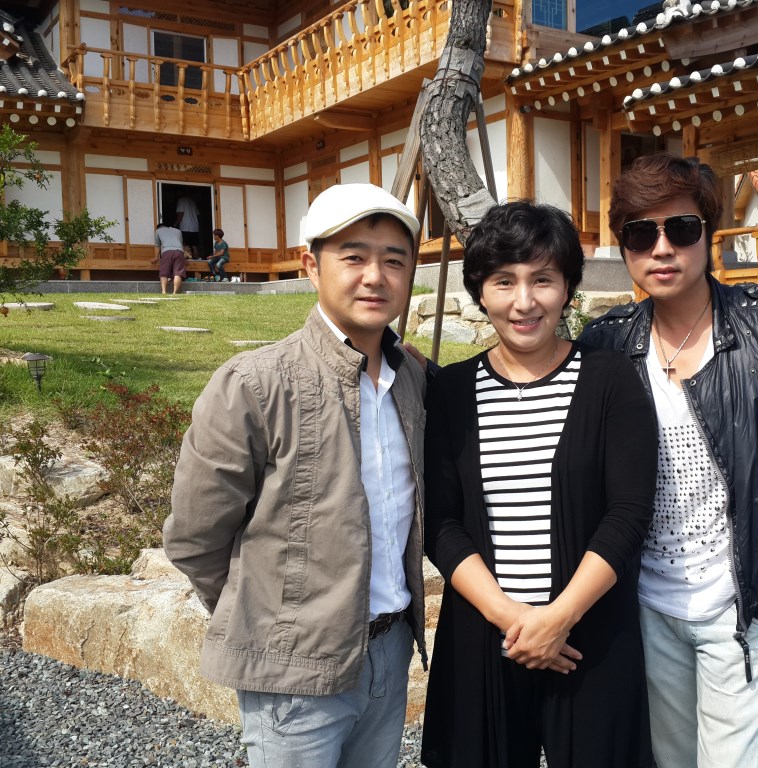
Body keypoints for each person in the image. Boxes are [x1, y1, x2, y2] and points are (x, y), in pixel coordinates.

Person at [578, 153, 758, 768]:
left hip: (738, 609)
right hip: (646, 606)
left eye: (680, 228)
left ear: (709, 233)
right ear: (623, 246)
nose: (662, 248)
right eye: (640, 234)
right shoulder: (607, 342)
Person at [163, 183, 428, 768]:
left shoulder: (412, 378)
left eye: (394, 261)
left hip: (391, 651)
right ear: (311, 265)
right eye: (353, 257)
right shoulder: (256, 383)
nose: (375, 277)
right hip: (293, 671)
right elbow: (194, 537)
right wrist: (273, 624)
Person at [421, 201, 658, 768]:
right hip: (484, 635)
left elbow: (628, 513)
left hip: (589, 637)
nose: (524, 302)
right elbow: (441, 523)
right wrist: (516, 622)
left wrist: (558, 619)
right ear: (481, 292)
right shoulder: (451, 392)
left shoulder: (610, 379)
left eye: (543, 279)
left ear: (568, 288)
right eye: (504, 281)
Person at [152, 216, 186, 295]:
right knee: (178, 273)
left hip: (167, 251)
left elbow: (157, 246)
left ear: (158, 227)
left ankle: (164, 291)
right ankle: (175, 293)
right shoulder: (178, 231)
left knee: (164, 273)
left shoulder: (158, 231)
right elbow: (181, 244)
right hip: (179, 252)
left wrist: (156, 258)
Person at [175, 194, 201, 259]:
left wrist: (175, 224)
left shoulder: (181, 200)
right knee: (194, 245)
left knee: (185, 245)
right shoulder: (193, 201)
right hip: (195, 227)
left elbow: (181, 214)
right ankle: (198, 258)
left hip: (185, 226)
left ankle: (188, 259)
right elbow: (197, 214)